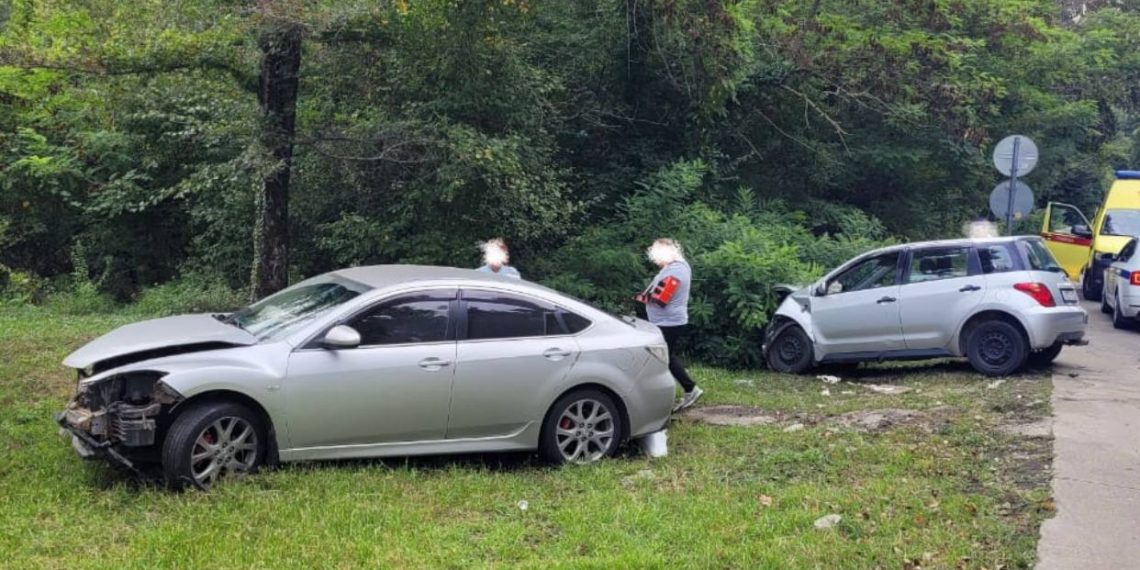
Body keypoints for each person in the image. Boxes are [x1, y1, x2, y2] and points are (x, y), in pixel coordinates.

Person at [636, 238, 702, 412]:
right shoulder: (676, 267)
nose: (656, 261)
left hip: (669, 322)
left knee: (663, 358)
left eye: (657, 256)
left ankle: (689, 389)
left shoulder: (676, 270)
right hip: (667, 321)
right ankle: (686, 389)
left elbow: (662, 299)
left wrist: (641, 298)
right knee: (664, 357)